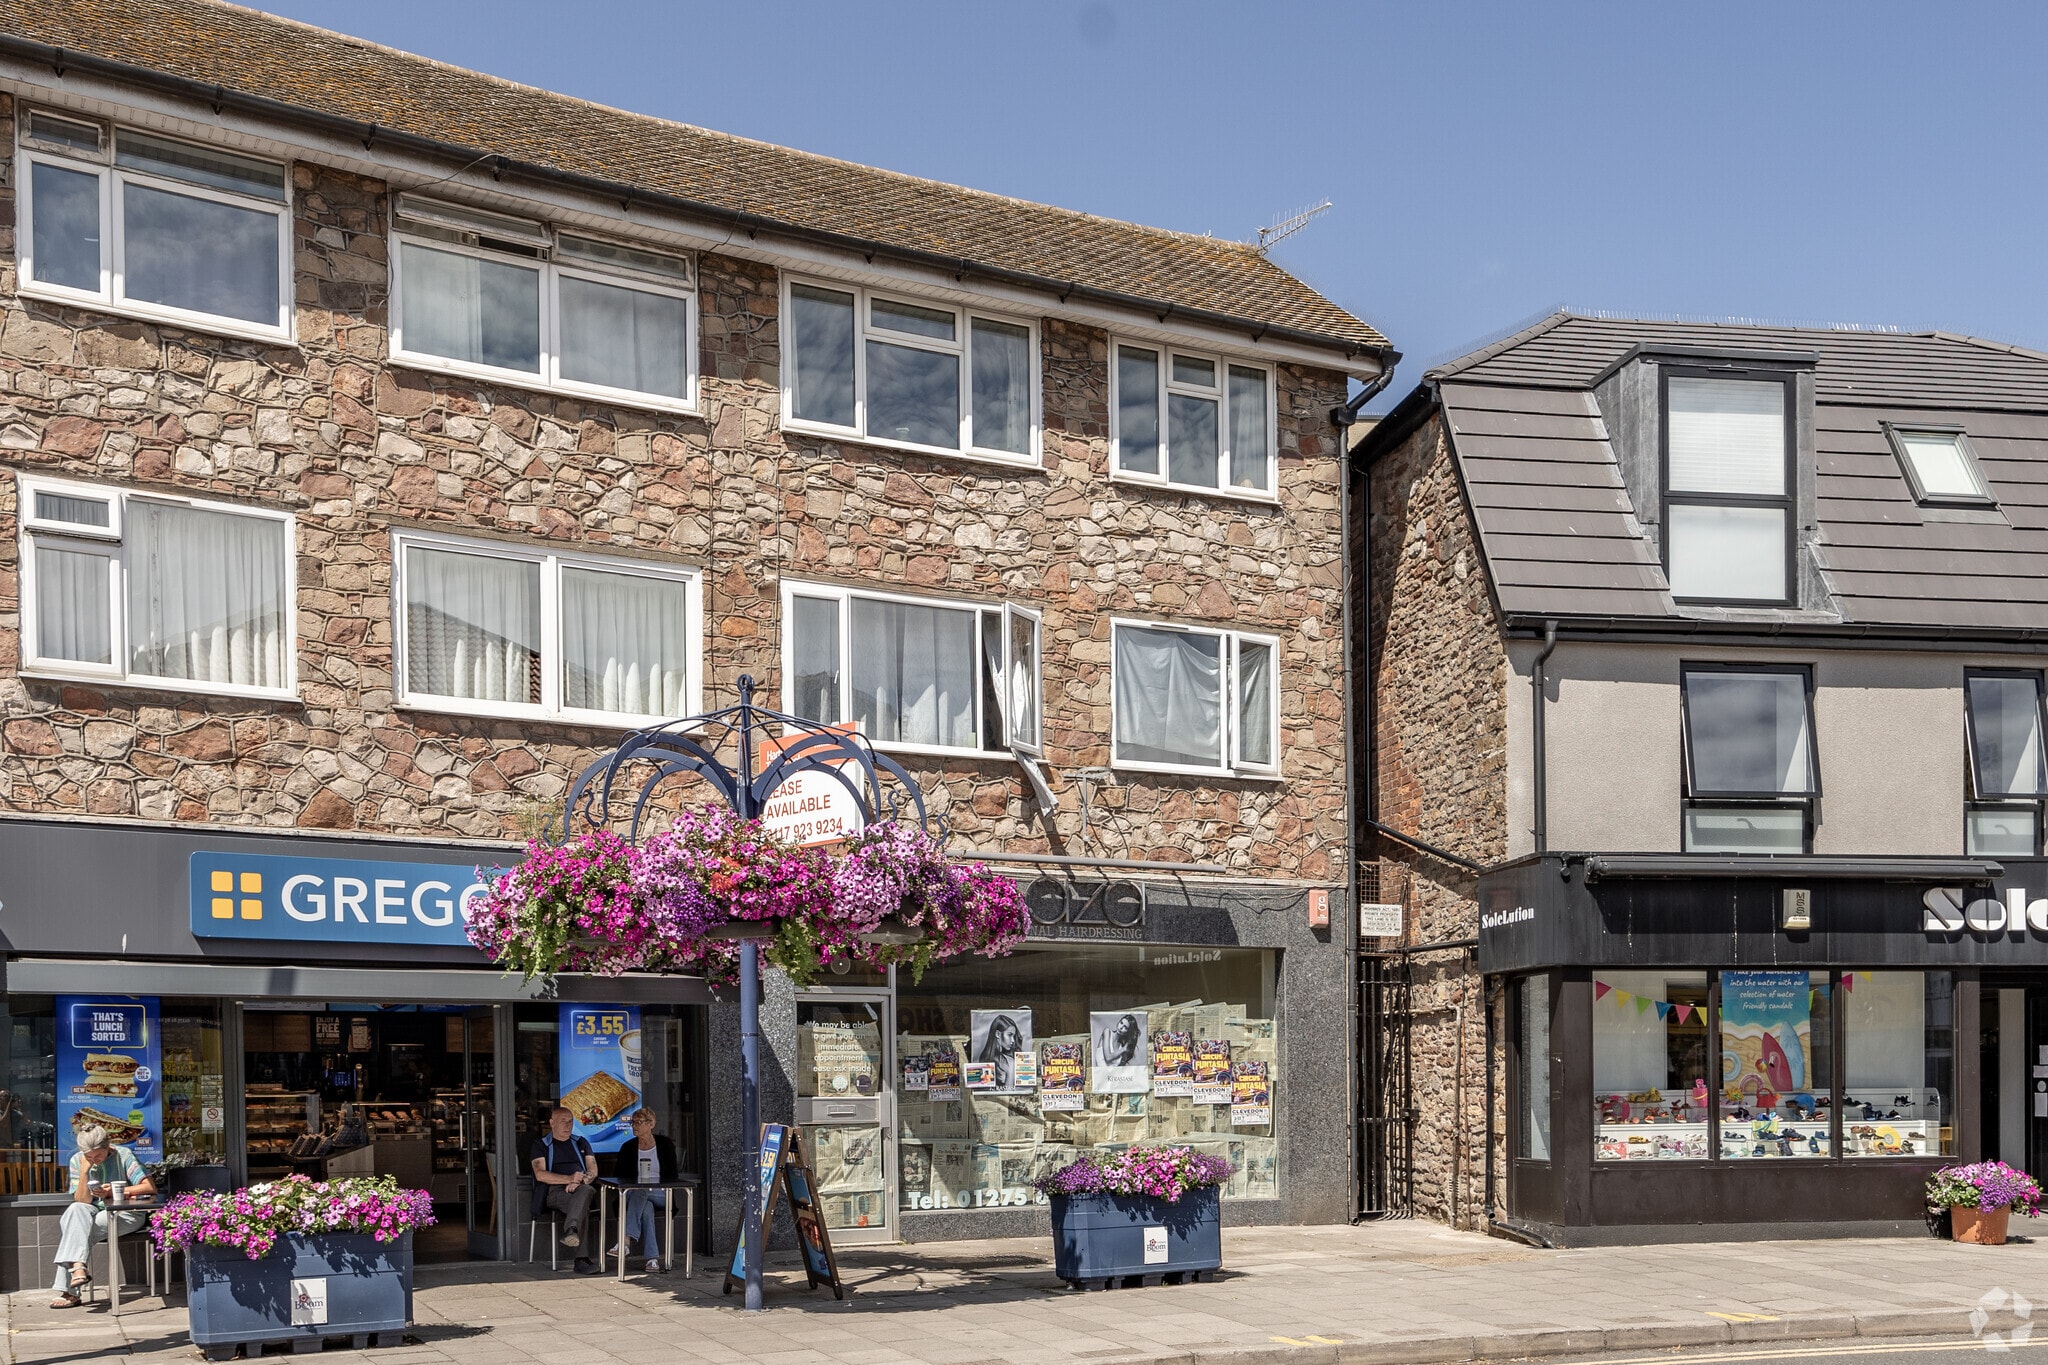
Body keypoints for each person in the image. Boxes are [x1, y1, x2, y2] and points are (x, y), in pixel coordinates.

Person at [50, 1125, 154, 1309]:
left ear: (108, 1146)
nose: (94, 1160)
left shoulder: (123, 1155)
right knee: (75, 1209)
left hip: (124, 1213)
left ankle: (70, 1289)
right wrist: (84, 1170)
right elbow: (82, 1200)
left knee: (76, 1231)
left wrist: (112, 1192)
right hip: (91, 1212)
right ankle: (78, 1268)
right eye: (89, 1156)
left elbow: (149, 1187)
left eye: (98, 1155)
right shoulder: (77, 1160)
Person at [529, 1105, 599, 1273]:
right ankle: (581, 1259)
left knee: (585, 1192)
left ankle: (571, 1230)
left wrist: (581, 1180)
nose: (568, 1125)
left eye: (570, 1121)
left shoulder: (580, 1142)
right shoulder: (541, 1145)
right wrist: (569, 1179)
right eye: (563, 1121)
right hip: (554, 1192)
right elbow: (540, 1175)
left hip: (580, 1188)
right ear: (552, 1123)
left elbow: (593, 1169)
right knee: (583, 1203)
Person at [610, 1108, 681, 1272]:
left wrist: (653, 1183)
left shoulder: (665, 1144)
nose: (634, 1126)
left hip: (661, 1193)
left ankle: (626, 1240)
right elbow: (619, 1176)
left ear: (651, 1124)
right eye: (633, 1122)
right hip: (633, 1193)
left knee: (643, 1192)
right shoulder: (628, 1147)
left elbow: (673, 1175)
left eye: (639, 1122)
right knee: (646, 1207)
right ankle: (652, 1259)